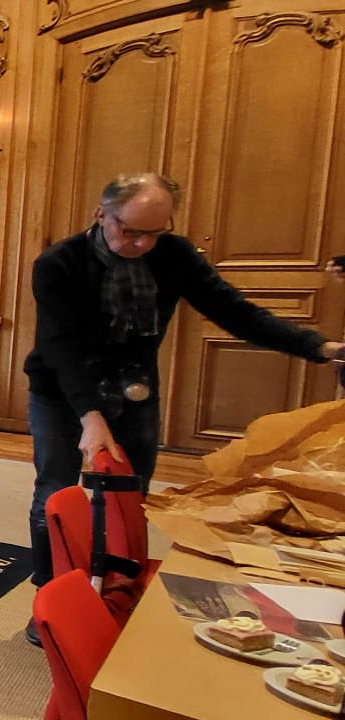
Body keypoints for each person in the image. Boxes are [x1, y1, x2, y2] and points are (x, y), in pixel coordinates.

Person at [24, 172, 345, 644]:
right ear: (101, 214)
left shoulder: (173, 255)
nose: (139, 243)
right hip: (60, 391)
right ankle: (49, 598)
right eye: (129, 230)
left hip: (134, 391)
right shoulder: (59, 263)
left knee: (128, 499)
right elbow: (59, 346)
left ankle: (119, 589)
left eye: (154, 232)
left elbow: (236, 312)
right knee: (54, 493)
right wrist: (89, 419)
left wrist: (319, 347)